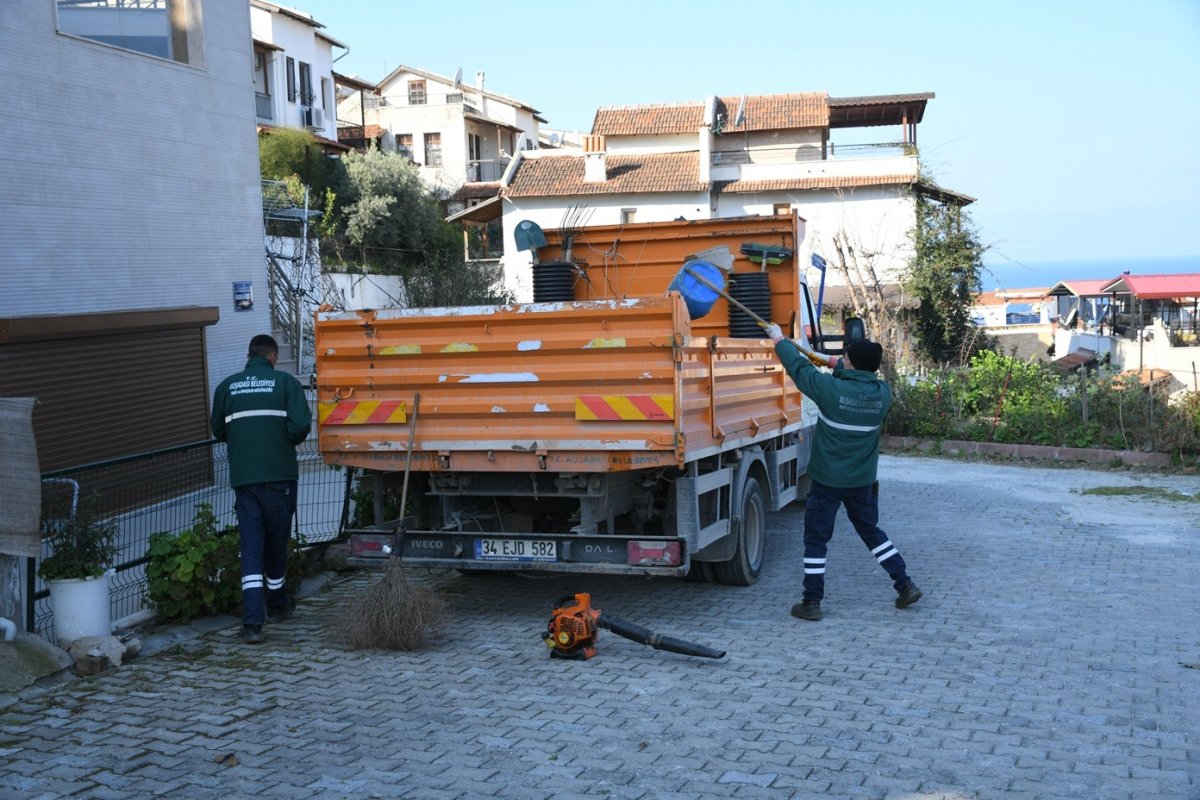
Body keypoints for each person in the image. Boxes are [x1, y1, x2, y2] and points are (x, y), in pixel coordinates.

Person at [760, 322, 922, 622]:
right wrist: (827, 359)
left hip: (827, 482)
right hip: (861, 482)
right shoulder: (881, 393)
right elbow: (849, 370)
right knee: (872, 532)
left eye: (845, 357)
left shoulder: (830, 389)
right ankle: (905, 584)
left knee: (816, 539)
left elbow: (799, 369)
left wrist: (779, 339)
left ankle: (811, 602)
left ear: (853, 364)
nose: (842, 360)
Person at [211, 335, 312, 643]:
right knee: (277, 542)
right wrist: (282, 442)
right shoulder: (285, 383)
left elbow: (219, 430)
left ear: (249, 355)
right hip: (279, 477)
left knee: (251, 547)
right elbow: (300, 426)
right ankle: (278, 604)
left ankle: (253, 623)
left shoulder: (227, 386)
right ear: (273, 356)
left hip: (245, 480)